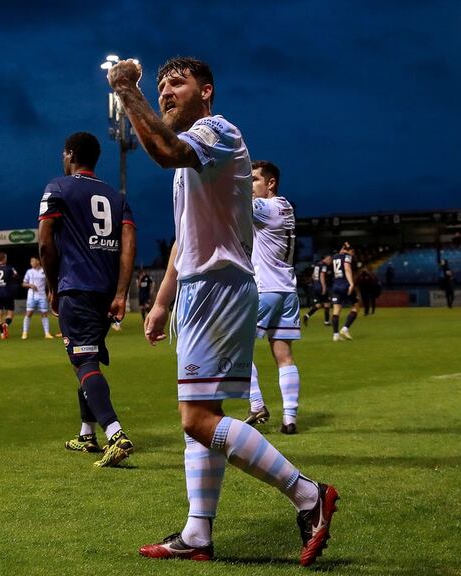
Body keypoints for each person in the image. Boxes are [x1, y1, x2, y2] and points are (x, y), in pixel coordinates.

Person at [108, 56, 337, 566]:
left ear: (206, 92)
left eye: (177, 83)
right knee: (204, 413)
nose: (166, 91)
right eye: (161, 84)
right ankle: (197, 533)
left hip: (217, 288)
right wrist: (163, 301)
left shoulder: (216, 131)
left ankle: (308, 495)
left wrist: (127, 89)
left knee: (195, 420)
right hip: (198, 289)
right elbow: (183, 238)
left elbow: (163, 149)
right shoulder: (193, 155)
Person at [38, 131, 137, 467]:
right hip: (106, 293)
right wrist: (122, 293)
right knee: (87, 357)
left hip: (76, 288)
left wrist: (52, 286)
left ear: (69, 154)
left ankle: (115, 433)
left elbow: (45, 244)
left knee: (84, 362)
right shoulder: (116, 196)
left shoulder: (58, 188)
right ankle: (87, 435)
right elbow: (128, 244)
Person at [244, 161, 303, 435]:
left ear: (271, 183)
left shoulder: (265, 208)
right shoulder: (286, 207)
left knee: (235, 347)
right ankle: (289, 419)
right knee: (284, 354)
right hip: (288, 290)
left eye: (255, 179)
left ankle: (256, 402)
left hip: (265, 289)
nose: (250, 185)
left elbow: (233, 197)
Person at [21, 256, 54, 339]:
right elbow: (23, 283)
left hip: (42, 295)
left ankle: (47, 333)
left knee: (44, 314)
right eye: (31, 261)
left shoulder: (44, 270)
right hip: (32, 296)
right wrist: (30, 285)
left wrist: (50, 292)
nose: (31, 263)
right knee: (29, 313)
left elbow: (49, 283)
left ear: (38, 261)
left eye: (33, 261)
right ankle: (25, 332)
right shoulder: (29, 271)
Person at [330, 244, 357, 341]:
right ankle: (345, 329)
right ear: (348, 251)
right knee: (356, 305)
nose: (352, 254)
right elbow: (347, 269)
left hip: (336, 285)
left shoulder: (335, 257)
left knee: (336, 310)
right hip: (345, 284)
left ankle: (336, 335)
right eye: (352, 252)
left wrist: (344, 246)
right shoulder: (347, 257)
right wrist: (351, 284)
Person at [303, 255, 331, 327]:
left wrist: (315, 283)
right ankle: (327, 322)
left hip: (315, 286)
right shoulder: (324, 265)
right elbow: (322, 275)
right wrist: (324, 286)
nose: (330, 262)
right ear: (327, 259)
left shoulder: (317, 264)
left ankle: (307, 315)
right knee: (327, 304)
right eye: (330, 261)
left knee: (318, 305)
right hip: (321, 286)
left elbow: (313, 275)